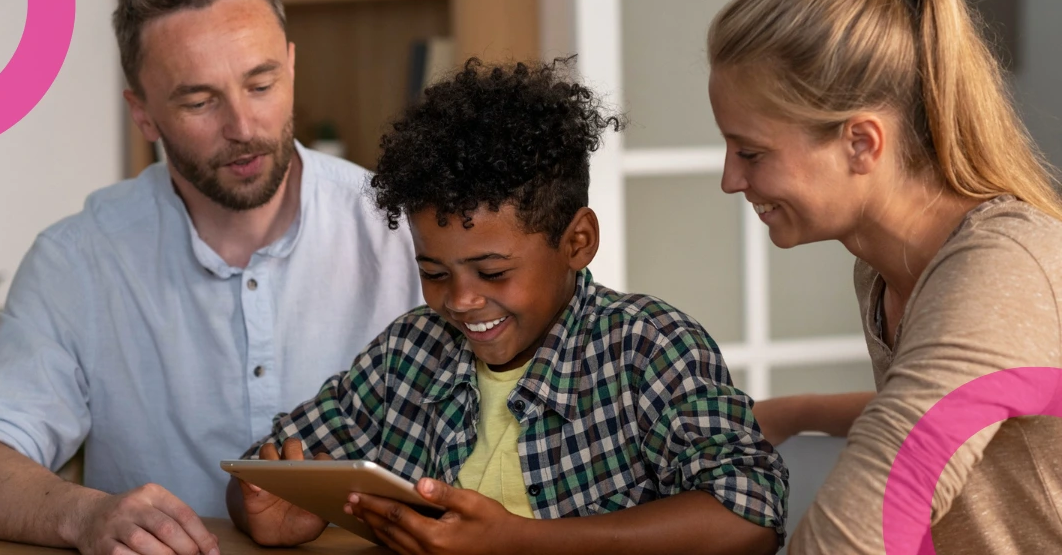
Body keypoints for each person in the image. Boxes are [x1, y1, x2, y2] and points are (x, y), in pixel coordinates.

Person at [0, 0, 421, 554]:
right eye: (198, 102)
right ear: (142, 112)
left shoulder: (402, 228)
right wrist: (83, 516)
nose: (243, 126)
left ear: (292, 67)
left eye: (262, 84)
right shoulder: (78, 258)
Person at [226, 58, 789, 555]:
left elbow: (749, 514)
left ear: (578, 242)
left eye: (493, 272)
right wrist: (269, 508)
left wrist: (519, 541)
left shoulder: (648, 349)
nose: (462, 300)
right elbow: (260, 466)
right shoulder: (407, 355)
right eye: (433, 272)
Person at [707, 0, 1062, 552]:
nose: (729, 180)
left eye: (752, 153)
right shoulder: (879, 269)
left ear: (861, 142)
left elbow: (894, 486)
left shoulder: (1003, 268)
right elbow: (947, 406)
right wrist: (795, 413)